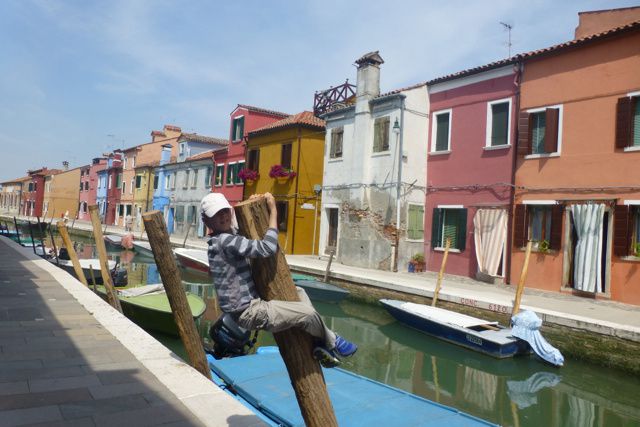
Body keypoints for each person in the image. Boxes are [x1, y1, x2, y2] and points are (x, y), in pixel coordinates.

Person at [201, 192, 357, 367]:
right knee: (309, 314)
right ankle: (333, 342)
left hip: (248, 305)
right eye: (216, 214)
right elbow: (267, 248)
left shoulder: (221, 239)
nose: (223, 216)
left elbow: (235, 227)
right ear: (207, 221)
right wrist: (274, 211)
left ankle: (320, 342)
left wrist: (254, 204)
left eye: (225, 211)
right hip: (250, 312)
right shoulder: (225, 241)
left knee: (298, 292)